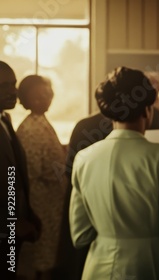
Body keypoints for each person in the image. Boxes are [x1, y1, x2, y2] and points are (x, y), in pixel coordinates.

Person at [69, 66, 159, 279]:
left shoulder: (84, 158)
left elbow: (80, 235)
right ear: (147, 110)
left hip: (98, 269)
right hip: (153, 266)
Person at [15, 75, 67, 280]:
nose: (44, 100)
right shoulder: (31, 128)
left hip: (50, 204)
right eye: (37, 97)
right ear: (26, 100)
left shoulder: (42, 121)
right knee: (40, 259)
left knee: (47, 256)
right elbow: (34, 170)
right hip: (39, 204)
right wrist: (66, 163)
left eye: (47, 94)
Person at [0, 61, 40, 280]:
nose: (12, 91)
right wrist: (11, 224)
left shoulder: (5, 119)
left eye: (13, 84)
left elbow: (12, 174)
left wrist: (27, 213)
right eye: (4, 86)